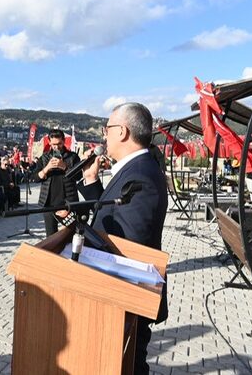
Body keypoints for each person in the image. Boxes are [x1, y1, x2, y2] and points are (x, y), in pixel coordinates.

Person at [78, 102, 168, 375]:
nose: (104, 135)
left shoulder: (141, 175)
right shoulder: (137, 168)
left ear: (123, 132)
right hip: (121, 295)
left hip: (125, 296)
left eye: (107, 129)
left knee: (129, 366)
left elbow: (128, 243)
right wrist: (93, 185)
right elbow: (118, 214)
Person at [35, 129, 82, 236]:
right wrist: (47, 168)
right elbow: (36, 178)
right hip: (48, 203)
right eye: (54, 144)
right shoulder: (44, 158)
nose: (57, 147)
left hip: (68, 202)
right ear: (49, 142)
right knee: (50, 236)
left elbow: (78, 176)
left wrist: (64, 167)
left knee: (70, 234)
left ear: (64, 141)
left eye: (59, 143)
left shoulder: (73, 157)